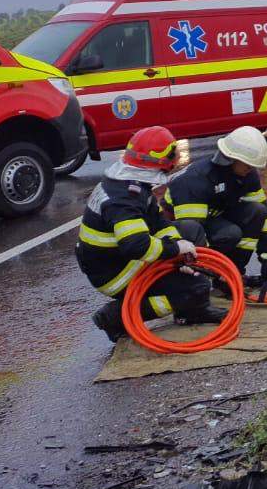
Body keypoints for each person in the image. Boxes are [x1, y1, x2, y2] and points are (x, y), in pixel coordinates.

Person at [77, 126, 217, 340]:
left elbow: (157, 222)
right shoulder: (124, 198)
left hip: (117, 259)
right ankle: (116, 316)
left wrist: (177, 244)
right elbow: (137, 246)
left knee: (188, 230)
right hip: (115, 272)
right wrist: (175, 250)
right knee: (196, 288)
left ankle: (190, 306)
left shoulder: (132, 183)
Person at [164, 125, 267, 292]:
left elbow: (265, 214)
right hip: (179, 225)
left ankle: (233, 273)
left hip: (211, 216)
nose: (251, 170)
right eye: (247, 165)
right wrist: (212, 271)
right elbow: (193, 235)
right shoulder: (197, 180)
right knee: (229, 234)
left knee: (257, 212)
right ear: (230, 158)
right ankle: (198, 285)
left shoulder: (246, 174)